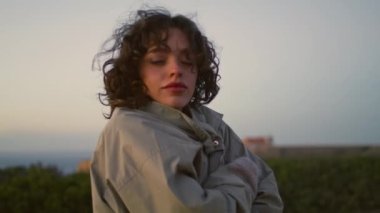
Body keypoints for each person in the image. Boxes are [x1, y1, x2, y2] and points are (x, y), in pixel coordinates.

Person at [90, 8, 283, 213]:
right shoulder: (128, 130)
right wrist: (242, 174)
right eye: (158, 60)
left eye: (187, 60)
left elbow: (267, 185)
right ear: (136, 71)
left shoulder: (210, 121)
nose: (176, 70)